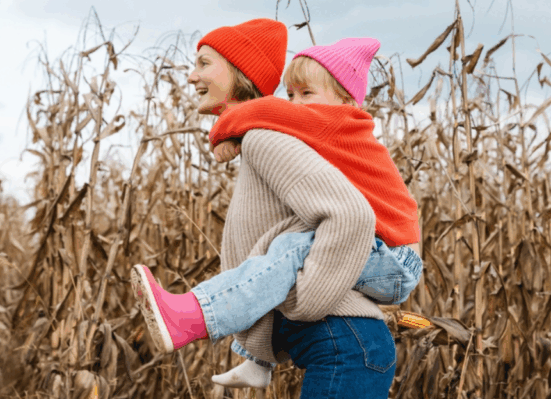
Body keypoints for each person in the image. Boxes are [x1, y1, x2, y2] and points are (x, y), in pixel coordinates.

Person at [130, 19, 421, 397]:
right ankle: (253, 358)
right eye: (291, 93)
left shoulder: (310, 128)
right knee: (286, 246)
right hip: (362, 315)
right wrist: (258, 347)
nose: (295, 104)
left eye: (203, 63)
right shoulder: (287, 137)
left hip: (381, 280)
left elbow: (351, 217)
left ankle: (194, 315)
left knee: (295, 245)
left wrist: (308, 301)